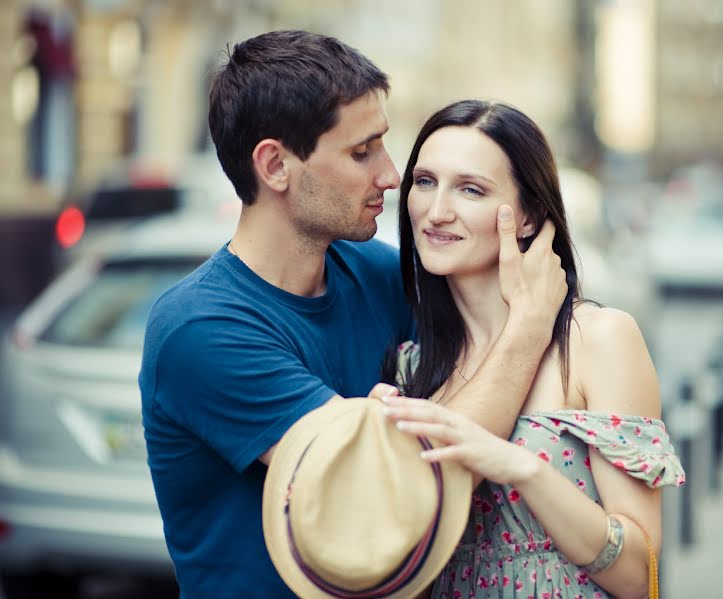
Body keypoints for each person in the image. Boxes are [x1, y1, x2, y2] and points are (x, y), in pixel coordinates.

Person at [139, 31, 566, 598]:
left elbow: (481, 349)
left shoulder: (375, 273)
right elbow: (400, 486)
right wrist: (528, 329)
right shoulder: (202, 330)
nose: (390, 175)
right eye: (362, 152)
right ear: (275, 166)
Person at [380, 100, 685, 599]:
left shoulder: (598, 341)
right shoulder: (410, 367)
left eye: (471, 189)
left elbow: (639, 576)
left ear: (529, 217)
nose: (436, 212)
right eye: (425, 182)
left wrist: (524, 469)